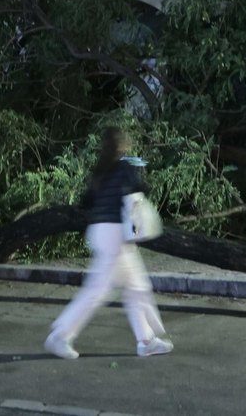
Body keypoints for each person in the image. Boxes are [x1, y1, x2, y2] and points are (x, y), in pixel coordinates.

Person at [44, 128, 173, 359]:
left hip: (101, 231)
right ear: (121, 145)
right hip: (115, 234)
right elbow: (142, 190)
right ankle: (60, 337)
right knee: (98, 291)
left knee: (137, 287)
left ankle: (146, 341)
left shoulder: (100, 170)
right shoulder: (124, 167)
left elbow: (86, 201)